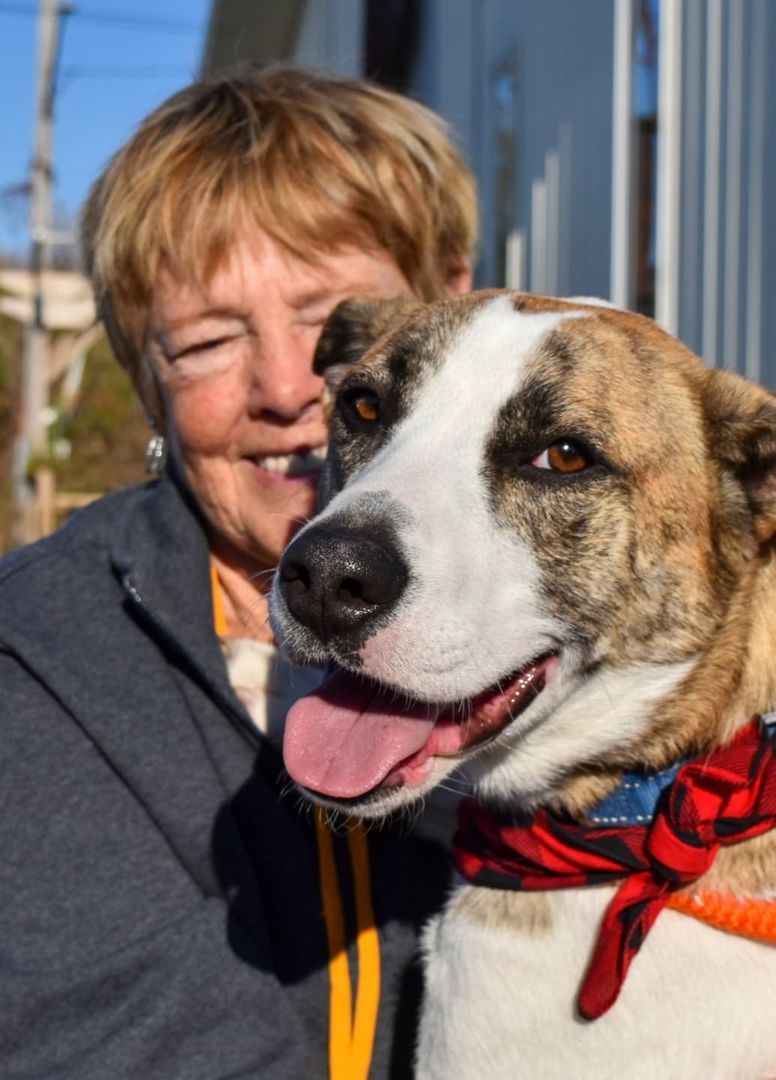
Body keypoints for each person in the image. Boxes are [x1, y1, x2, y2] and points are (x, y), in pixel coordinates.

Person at [0, 67, 476, 1078]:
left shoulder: (582, 582)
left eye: (337, 319)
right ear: (149, 382)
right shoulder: (42, 658)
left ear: (456, 302)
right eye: (210, 342)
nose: (289, 387)